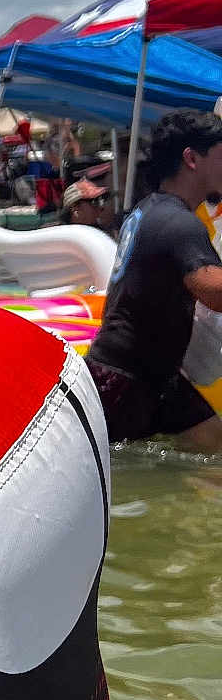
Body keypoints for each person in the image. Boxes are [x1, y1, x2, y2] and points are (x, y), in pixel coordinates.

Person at [84, 110, 222, 451]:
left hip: (145, 375)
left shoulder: (148, 210)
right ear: (191, 158)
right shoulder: (179, 223)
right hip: (124, 382)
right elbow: (215, 293)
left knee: (213, 444)